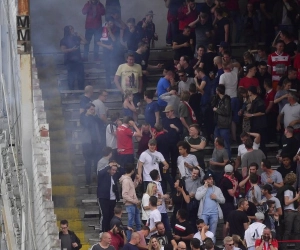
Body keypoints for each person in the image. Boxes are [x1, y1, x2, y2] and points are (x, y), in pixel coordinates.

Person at [195, 173, 225, 239]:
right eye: (209, 179)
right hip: (204, 213)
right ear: (205, 180)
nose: (211, 180)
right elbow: (197, 197)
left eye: (212, 179)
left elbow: (223, 200)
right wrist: (205, 188)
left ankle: (211, 247)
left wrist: (216, 197)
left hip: (214, 213)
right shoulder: (200, 188)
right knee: (202, 230)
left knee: (212, 233)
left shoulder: (217, 189)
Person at [80, 103, 103, 186]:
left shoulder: (94, 117)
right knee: (88, 162)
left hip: (96, 142)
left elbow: (101, 123)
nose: (93, 111)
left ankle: (95, 177)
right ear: (87, 109)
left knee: (97, 160)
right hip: (87, 143)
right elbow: (87, 125)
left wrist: (95, 115)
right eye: (91, 109)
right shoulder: (83, 117)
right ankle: (88, 181)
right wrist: (89, 115)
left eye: (94, 109)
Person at [278, 173, 300, 250]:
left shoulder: (293, 189)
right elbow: (286, 202)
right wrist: (296, 197)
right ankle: (284, 248)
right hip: (289, 212)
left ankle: (298, 247)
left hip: (295, 211)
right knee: (288, 231)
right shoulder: (287, 190)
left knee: (297, 231)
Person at [60, 25, 86, 90]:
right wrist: (71, 50)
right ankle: (71, 90)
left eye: (72, 29)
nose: (72, 30)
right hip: (70, 61)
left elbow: (85, 42)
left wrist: (80, 35)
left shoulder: (76, 38)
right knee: (71, 76)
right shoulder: (64, 40)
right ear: (67, 31)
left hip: (78, 60)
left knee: (81, 76)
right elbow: (63, 50)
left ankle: (81, 90)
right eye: (71, 29)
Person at [119, 164, 141, 240]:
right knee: (130, 224)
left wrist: (136, 179)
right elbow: (124, 195)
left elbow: (132, 188)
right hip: (130, 204)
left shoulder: (128, 179)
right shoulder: (125, 180)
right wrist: (134, 201)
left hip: (133, 204)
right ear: (132, 170)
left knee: (138, 222)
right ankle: (128, 240)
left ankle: (139, 238)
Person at [219, 61, 239, 144]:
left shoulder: (222, 76)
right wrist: (231, 65)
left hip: (227, 99)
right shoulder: (235, 73)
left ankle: (227, 138)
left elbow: (221, 88)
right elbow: (237, 65)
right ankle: (234, 137)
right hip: (235, 97)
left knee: (227, 119)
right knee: (234, 119)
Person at [97, 162, 121, 232]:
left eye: (115, 170)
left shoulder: (115, 176)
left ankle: (109, 230)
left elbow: (123, 171)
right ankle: (102, 230)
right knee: (105, 215)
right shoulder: (104, 175)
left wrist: (118, 165)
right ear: (109, 169)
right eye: (112, 170)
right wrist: (108, 166)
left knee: (111, 215)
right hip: (103, 198)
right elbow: (100, 173)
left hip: (113, 199)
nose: (114, 171)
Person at [98, 17, 121, 89]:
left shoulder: (116, 29)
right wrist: (107, 46)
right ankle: (108, 86)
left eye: (111, 23)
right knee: (107, 69)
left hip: (115, 52)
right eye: (109, 23)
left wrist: (109, 31)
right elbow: (97, 42)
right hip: (106, 52)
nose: (110, 24)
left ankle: (116, 85)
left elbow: (114, 39)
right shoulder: (101, 29)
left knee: (115, 69)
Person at [162, 105, 183, 179]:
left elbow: (180, 131)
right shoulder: (164, 120)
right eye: (166, 112)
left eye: (168, 112)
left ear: (172, 112)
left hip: (175, 143)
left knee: (174, 160)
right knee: (165, 160)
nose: (167, 114)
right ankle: (166, 176)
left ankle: (173, 176)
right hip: (166, 143)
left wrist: (175, 127)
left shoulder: (177, 120)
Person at [245, 86, 267, 154]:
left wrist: (251, 115)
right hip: (254, 124)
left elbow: (262, 112)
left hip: (260, 124)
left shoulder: (259, 101)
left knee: (261, 142)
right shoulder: (253, 101)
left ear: (250, 92)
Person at [212, 84, 232, 159]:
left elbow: (227, 112)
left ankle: (227, 160)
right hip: (218, 124)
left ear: (218, 91)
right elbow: (211, 104)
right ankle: (217, 159)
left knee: (226, 144)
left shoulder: (226, 100)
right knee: (216, 143)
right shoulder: (218, 100)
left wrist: (217, 110)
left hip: (224, 125)